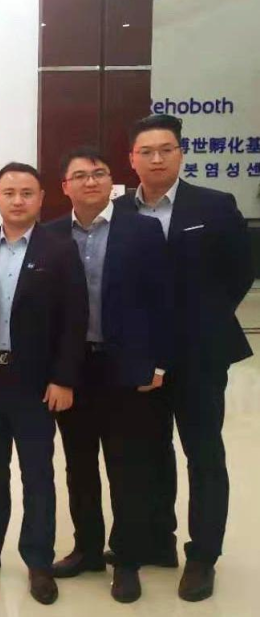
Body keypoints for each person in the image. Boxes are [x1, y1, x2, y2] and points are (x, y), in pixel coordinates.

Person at [114, 114, 253, 602]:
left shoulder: (214, 205)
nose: (156, 159)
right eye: (146, 151)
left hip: (199, 355)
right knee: (148, 452)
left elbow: (240, 271)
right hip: (140, 356)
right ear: (132, 159)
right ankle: (158, 540)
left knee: (203, 453)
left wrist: (204, 319)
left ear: (180, 153)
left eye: (166, 149)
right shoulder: (119, 211)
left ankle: (203, 555)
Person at [0, 162, 87, 606]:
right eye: (9, 192)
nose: (18, 200)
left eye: (27, 192)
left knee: (37, 472)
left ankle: (38, 560)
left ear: (42, 198)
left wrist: (63, 378)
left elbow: (74, 320)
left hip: (36, 383)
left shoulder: (60, 249)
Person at [44, 147, 170, 602]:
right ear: (65, 187)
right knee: (78, 464)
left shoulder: (142, 229)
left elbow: (162, 300)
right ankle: (87, 549)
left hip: (125, 367)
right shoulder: (50, 234)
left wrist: (157, 362)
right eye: (79, 175)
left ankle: (127, 558)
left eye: (98, 173)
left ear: (111, 181)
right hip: (72, 369)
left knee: (126, 466)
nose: (90, 181)